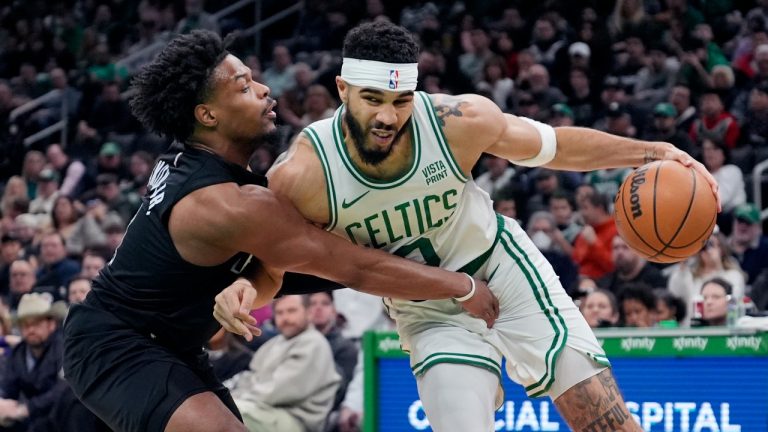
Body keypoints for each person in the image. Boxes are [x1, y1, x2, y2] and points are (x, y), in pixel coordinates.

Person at [257, 20, 719, 431]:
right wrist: (244, 288)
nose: (386, 117)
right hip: (428, 307)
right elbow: (276, 262)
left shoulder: (458, 121)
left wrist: (651, 151)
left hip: (502, 269)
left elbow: (556, 146)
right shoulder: (302, 176)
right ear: (342, 89)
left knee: (604, 420)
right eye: (372, 99)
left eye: (401, 101)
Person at [62, 30, 498, 432]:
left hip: (170, 344)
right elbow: (354, 269)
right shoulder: (228, 204)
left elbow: (290, 271)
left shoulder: (205, 169)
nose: (264, 89)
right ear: (207, 114)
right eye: (245, 86)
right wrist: (459, 286)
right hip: (114, 343)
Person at [227, 295, 340, 432]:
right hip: (262, 409)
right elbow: (250, 378)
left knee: (222, 413)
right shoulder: (272, 344)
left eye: (292, 311)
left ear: (308, 313)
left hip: (294, 420)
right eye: (280, 313)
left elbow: (276, 392)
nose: (285, 318)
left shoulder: (313, 342)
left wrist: (229, 401)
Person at [0, 293, 67, 430]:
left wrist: (27, 408)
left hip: (61, 416)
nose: (30, 330)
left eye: (36, 323)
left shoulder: (62, 348)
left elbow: (64, 389)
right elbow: (8, 387)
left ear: (51, 324)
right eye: (25, 325)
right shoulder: (18, 352)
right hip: (30, 419)